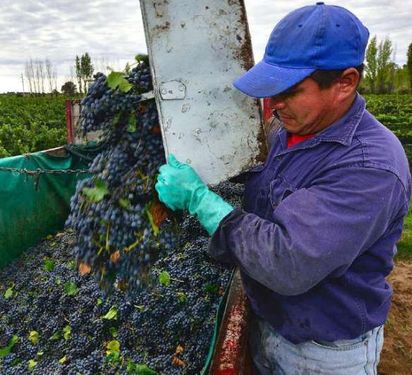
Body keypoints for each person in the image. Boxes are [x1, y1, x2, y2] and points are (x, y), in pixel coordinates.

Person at [155, 3, 411, 374]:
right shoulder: (285, 132)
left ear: (345, 83)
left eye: (290, 90)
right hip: (269, 326)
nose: (273, 104)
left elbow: (287, 262)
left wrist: (201, 200)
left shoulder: (371, 166)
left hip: (323, 353)